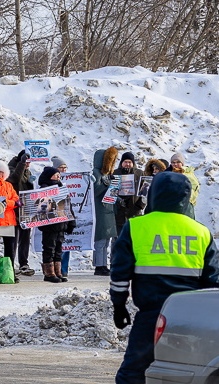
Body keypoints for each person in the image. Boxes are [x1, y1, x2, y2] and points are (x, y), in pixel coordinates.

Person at [110, 172, 219, 384]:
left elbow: (120, 273)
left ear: (154, 194)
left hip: (151, 316)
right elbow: (213, 282)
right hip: (190, 320)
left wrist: (119, 306)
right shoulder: (201, 232)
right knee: (184, 373)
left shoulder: (136, 227)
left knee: (133, 373)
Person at [37, 166, 75, 283]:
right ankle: (49, 273)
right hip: (49, 226)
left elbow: (68, 206)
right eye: (56, 175)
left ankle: (58, 272)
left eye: (59, 175)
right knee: (49, 248)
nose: (58, 177)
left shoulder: (61, 188)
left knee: (58, 248)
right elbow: (40, 208)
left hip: (61, 224)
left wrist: (71, 223)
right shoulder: (44, 189)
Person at [6, 151, 36, 276]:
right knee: (13, 239)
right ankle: (11, 264)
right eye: (27, 162)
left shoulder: (27, 171)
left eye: (29, 162)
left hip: (25, 208)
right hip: (14, 209)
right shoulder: (10, 169)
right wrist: (22, 163)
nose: (28, 164)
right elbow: (15, 179)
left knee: (25, 237)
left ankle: (24, 262)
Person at [91, 146, 118, 276]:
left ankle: (103, 265)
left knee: (106, 240)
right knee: (100, 240)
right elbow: (94, 191)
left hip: (107, 209)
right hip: (99, 210)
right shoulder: (96, 173)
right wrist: (106, 184)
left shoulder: (106, 175)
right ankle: (98, 266)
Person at [113, 152, 145, 235]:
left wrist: (139, 206)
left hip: (135, 211)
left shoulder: (140, 173)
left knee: (135, 237)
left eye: (129, 162)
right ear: (121, 163)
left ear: (133, 163)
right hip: (119, 212)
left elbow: (145, 192)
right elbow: (111, 191)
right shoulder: (115, 173)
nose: (127, 164)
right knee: (119, 236)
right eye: (125, 162)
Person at [51, 156, 72, 278]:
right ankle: (54, 270)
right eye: (61, 168)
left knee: (66, 245)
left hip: (65, 216)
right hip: (55, 218)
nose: (63, 170)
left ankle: (63, 270)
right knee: (56, 246)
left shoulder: (70, 180)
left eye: (65, 168)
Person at [169, 152, 199, 219]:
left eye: (178, 162)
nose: (175, 164)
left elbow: (193, 190)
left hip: (186, 206)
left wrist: (183, 200)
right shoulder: (169, 174)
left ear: (182, 163)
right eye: (173, 162)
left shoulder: (188, 174)